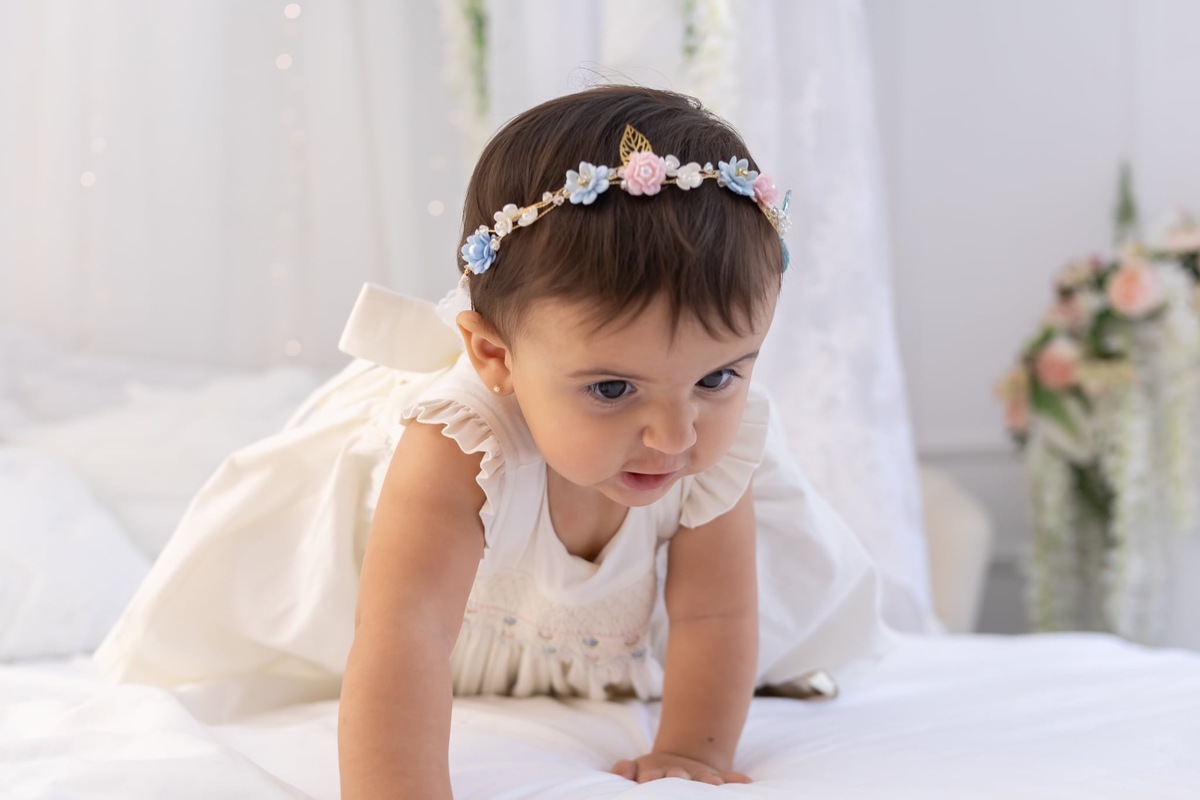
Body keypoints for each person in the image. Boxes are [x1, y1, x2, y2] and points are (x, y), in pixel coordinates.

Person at [95, 86, 892, 798]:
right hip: (439, 640)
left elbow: (716, 612)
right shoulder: (460, 441)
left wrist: (691, 751)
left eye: (717, 377)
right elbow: (407, 631)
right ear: (494, 356)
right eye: (612, 389)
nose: (674, 435)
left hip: (605, 657)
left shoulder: (721, 449)